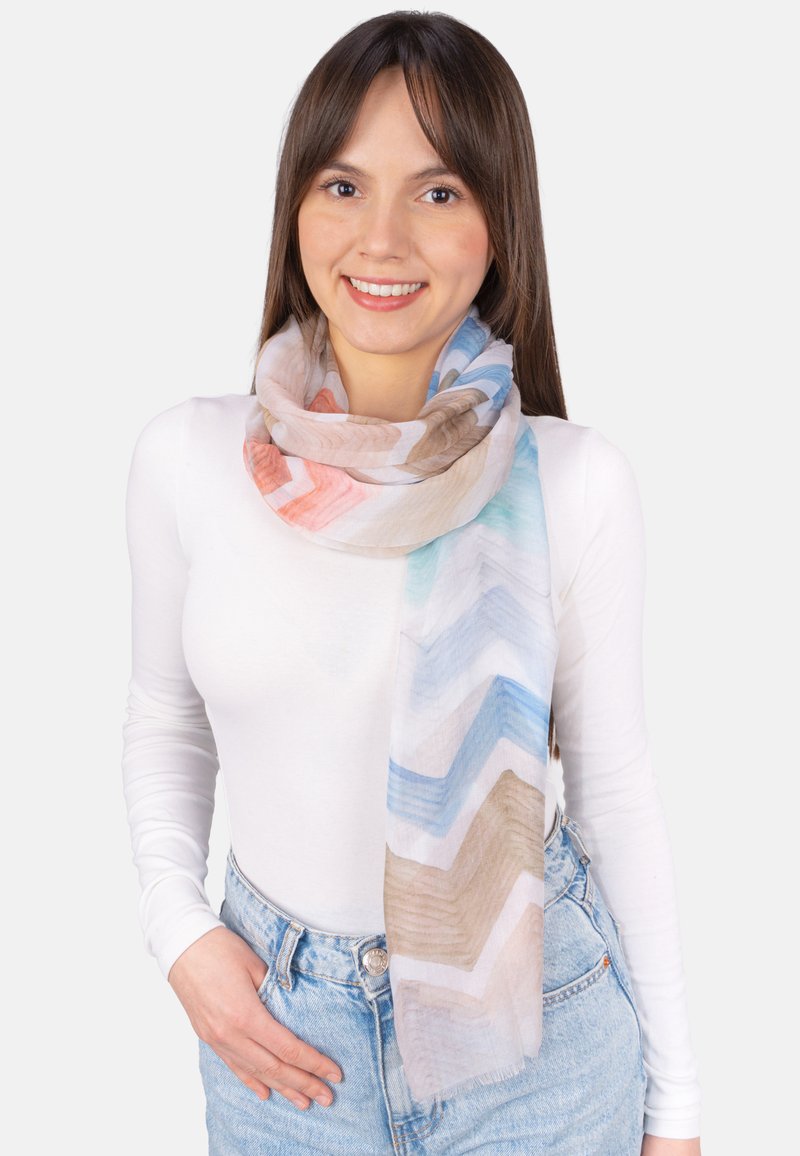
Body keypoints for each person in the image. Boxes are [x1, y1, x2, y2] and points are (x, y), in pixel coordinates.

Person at [122, 11, 702, 1154]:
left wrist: (676, 1108)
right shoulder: (185, 459)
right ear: (294, 208)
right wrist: (177, 931)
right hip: (281, 1037)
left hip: (538, 1043)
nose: (379, 238)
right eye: (341, 185)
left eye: (437, 192)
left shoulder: (573, 480)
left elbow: (614, 791)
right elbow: (162, 719)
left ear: (498, 222)